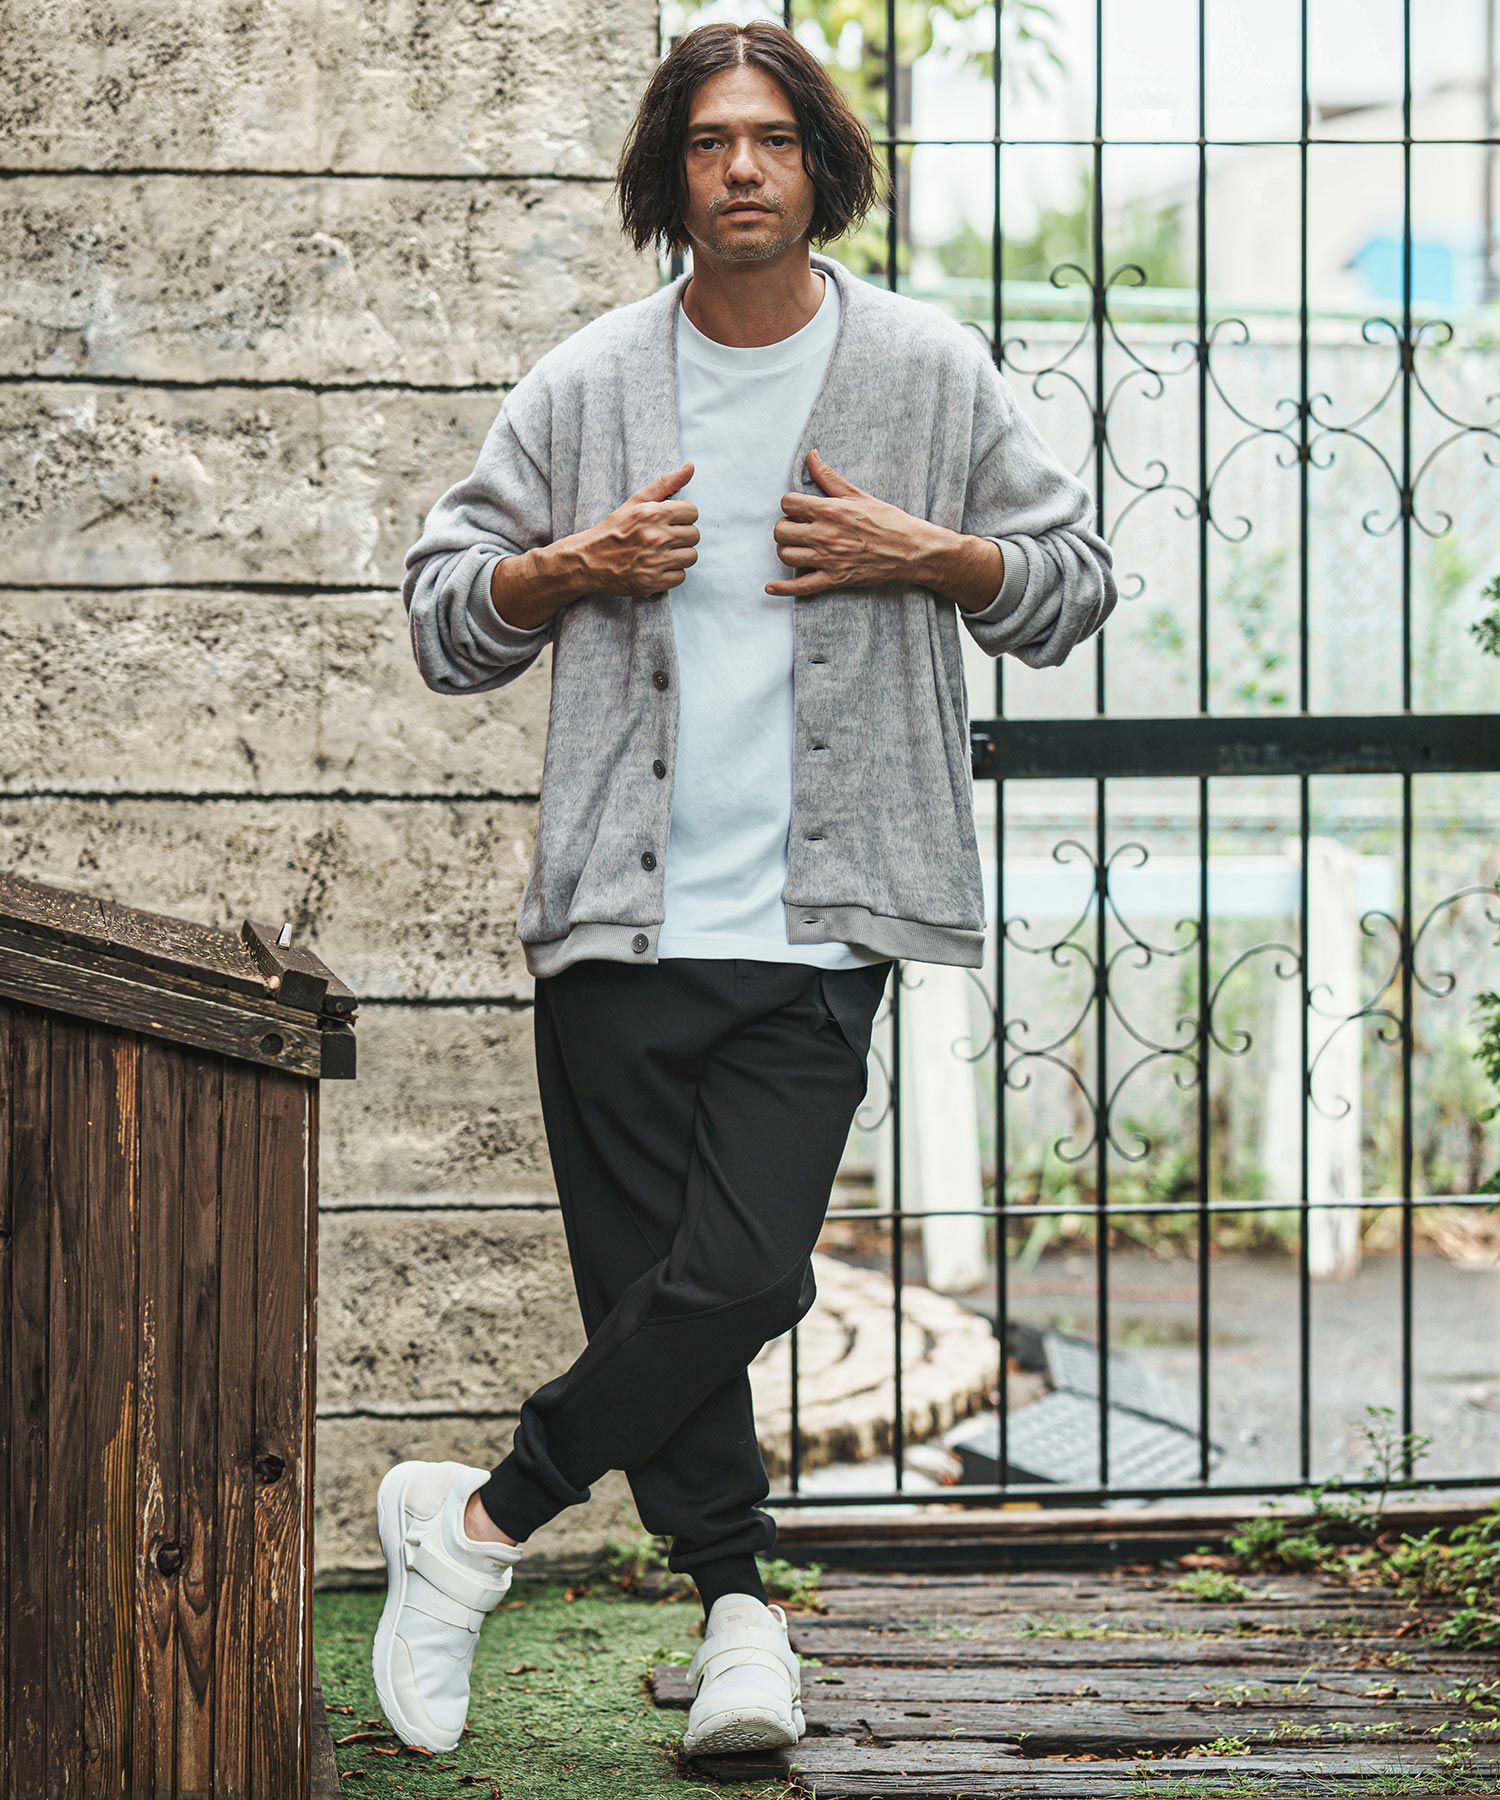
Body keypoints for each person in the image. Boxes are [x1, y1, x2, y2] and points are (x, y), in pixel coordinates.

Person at [374, 17, 1116, 1763]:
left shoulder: (924, 370)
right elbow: (442, 618)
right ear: (671, 175)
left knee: (746, 1271)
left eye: (772, 137)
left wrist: (932, 554)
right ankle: (739, 1620)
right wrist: (569, 566)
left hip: (818, 925)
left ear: (821, 165)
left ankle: (474, 1521)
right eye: (708, 141)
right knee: (667, 1300)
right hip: (618, 927)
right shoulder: (586, 385)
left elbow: (1073, 583)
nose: (742, 169)